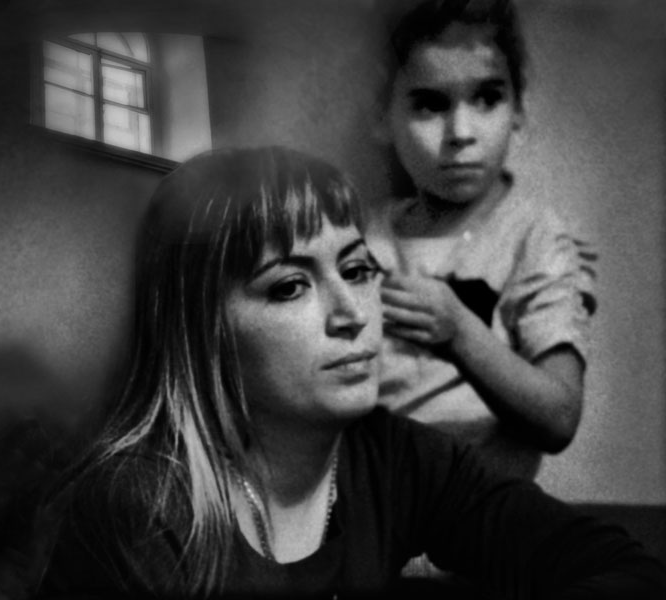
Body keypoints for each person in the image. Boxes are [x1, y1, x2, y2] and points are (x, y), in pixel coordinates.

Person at [34, 146, 663, 599]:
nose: (352, 314)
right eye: (289, 286)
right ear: (201, 330)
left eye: (358, 270)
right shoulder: (139, 505)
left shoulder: (395, 458)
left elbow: (622, 567)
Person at [368, 0, 597, 480]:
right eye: (430, 104)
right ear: (382, 116)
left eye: (487, 98)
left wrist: (458, 332)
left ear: (519, 109)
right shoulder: (365, 236)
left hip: (484, 512)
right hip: (374, 503)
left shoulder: (535, 238)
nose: (461, 133)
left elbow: (559, 417)